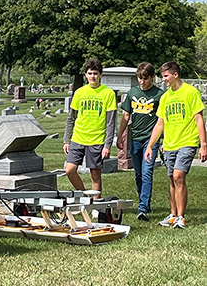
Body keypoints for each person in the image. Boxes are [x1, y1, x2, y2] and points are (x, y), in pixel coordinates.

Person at [144, 61, 207, 229]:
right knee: (172, 179)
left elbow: (199, 119)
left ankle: (181, 217)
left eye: (165, 76)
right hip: (170, 144)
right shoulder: (165, 97)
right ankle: (173, 215)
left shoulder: (191, 92)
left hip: (187, 141)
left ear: (175, 75)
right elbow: (160, 124)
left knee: (179, 176)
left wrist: (203, 145)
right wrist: (150, 146)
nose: (163, 79)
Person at [63, 58, 117, 208]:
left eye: (95, 73)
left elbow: (111, 122)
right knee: (69, 170)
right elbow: (70, 119)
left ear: (100, 75)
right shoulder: (79, 92)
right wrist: (66, 140)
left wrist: (107, 145)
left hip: (97, 139)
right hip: (78, 138)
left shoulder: (108, 93)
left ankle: (96, 206)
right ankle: (86, 197)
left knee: (95, 174)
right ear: (86, 74)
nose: (92, 76)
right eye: (90, 73)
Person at [116, 62, 164, 221]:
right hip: (135, 138)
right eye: (139, 78)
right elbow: (126, 116)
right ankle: (145, 202)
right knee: (138, 174)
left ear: (152, 77)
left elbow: (163, 120)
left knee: (147, 172)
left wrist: (162, 140)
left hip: (151, 140)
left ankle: (142, 207)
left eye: (145, 78)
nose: (141, 81)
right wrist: (120, 135)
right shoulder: (132, 92)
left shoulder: (159, 94)